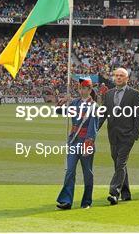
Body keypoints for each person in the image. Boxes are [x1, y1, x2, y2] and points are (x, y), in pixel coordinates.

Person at [99, 68, 139, 205]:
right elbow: (103, 114)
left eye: (121, 76)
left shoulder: (135, 94)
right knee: (118, 164)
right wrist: (93, 129)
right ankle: (126, 193)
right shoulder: (109, 94)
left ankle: (114, 193)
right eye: (116, 75)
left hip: (127, 135)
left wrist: (135, 135)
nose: (118, 78)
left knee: (121, 162)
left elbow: (138, 116)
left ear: (127, 78)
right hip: (112, 134)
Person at [56, 78, 98, 210]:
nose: (82, 90)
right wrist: (61, 103)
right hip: (74, 141)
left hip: (86, 142)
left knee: (87, 173)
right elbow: (59, 111)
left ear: (90, 90)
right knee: (69, 171)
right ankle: (66, 200)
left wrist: (88, 143)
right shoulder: (74, 103)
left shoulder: (94, 106)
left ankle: (86, 201)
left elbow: (93, 128)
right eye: (80, 88)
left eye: (84, 88)